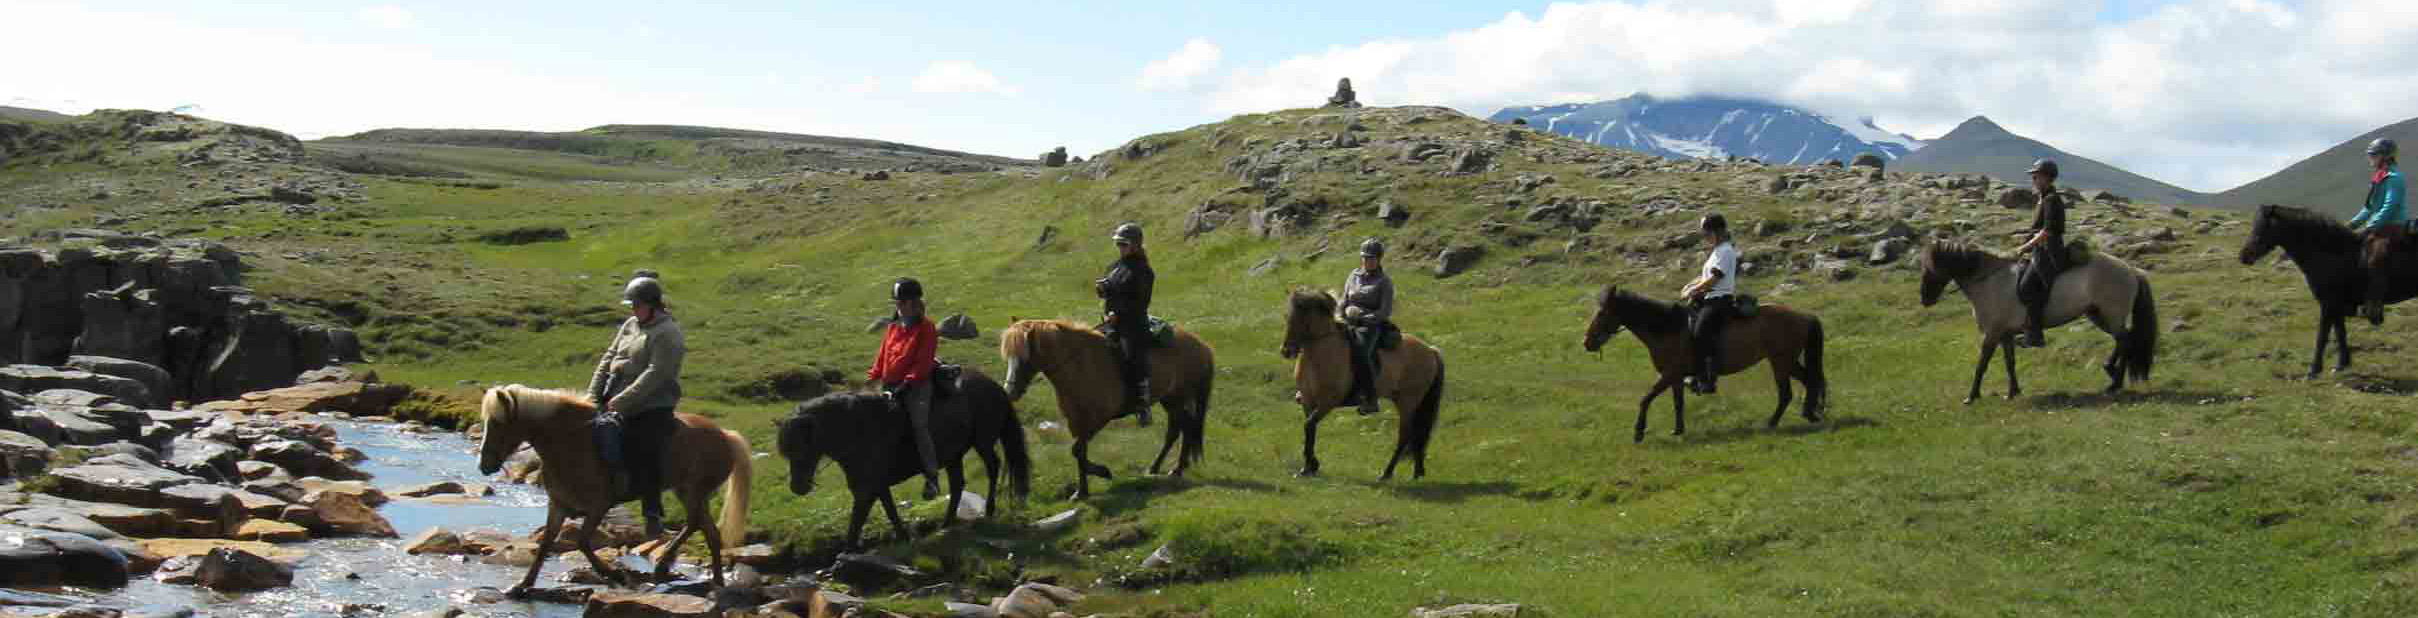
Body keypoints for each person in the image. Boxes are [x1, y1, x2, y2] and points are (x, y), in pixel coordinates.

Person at [586, 272, 686, 537]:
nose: (633, 309)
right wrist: (593, 395)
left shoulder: (668, 333)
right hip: (614, 397)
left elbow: (656, 374)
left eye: (637, 304)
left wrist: (623, 400)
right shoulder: (631, 324)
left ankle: (652, 513)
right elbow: (608, 359)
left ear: (652, 305)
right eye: (631, 305)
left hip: (651, 405)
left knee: (644, 446)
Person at [868, 277, 944, 499]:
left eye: (900, 303)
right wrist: (872, 378)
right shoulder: (893, 327)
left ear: (913, 303)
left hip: (916, 386)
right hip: (890, 384)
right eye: (897, 303)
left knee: (919, 425)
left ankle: (932, 477)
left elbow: (922, 363)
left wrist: (905, 385)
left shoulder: (926, 328)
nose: (898, 307)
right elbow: (882, 357)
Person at [1095, 222, 1155, 426]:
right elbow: (1111, 289)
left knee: (1132, 356)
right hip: (1112, 321)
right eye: (1118, 244)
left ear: (1135, 245)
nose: (1120, 248)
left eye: (1123, 244)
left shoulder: (1144, 271)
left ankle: (1142, 404)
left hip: (1133, 325)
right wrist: (1103, 287)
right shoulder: (1115, 266)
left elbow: (1140, 302)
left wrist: (1118, 313)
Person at [1679, 214, 1740, 394]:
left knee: (1700, 333)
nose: (1705, 237)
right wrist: (1691, 285)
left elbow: (1715, 278)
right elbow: (1705, 277)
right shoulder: (1717, 251)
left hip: (1719, 301)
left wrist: (1694, 290)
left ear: (1718, 232)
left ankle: (1706, 380)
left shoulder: (1726, 251)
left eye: (1707, 233)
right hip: (1708, 298)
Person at [2348, 138, 2406, 325]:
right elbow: (2369, 208)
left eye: (2373, 155)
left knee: (2376, 256)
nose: (2370, 158)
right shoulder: (2379, 178)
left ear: (2386, 157)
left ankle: (2375, 304)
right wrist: (2352, 224)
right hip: (2379, 225)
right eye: (2370, 155)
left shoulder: (2395, 178)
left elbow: (2390, 206)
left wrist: (2372, 226)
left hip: (2392, 227)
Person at [2012, 158, 2068, 348]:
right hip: (2040, 251)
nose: (2033, 180)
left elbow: (2047, 232)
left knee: (2027, 288)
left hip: (2049, 254)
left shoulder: (2052, 200)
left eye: (2036, 176)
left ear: (2046, 178)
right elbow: (2038, 229)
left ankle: (2035, 335)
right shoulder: (2043, 199)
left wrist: (2024, 247)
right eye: (2033, 177)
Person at [1342, 238, 1395, 416]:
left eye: (1371, 258)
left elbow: (1384, 312)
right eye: (1364, 258)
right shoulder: (1353, 275)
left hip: (1370, 326)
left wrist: (1362, 317)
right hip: (1348, 321)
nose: (1367, 261)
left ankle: (1370, 399)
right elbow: (1344, 299)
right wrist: (1342, 311)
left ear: (1379, 259)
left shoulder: (1384, 282)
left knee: (1360, 352)